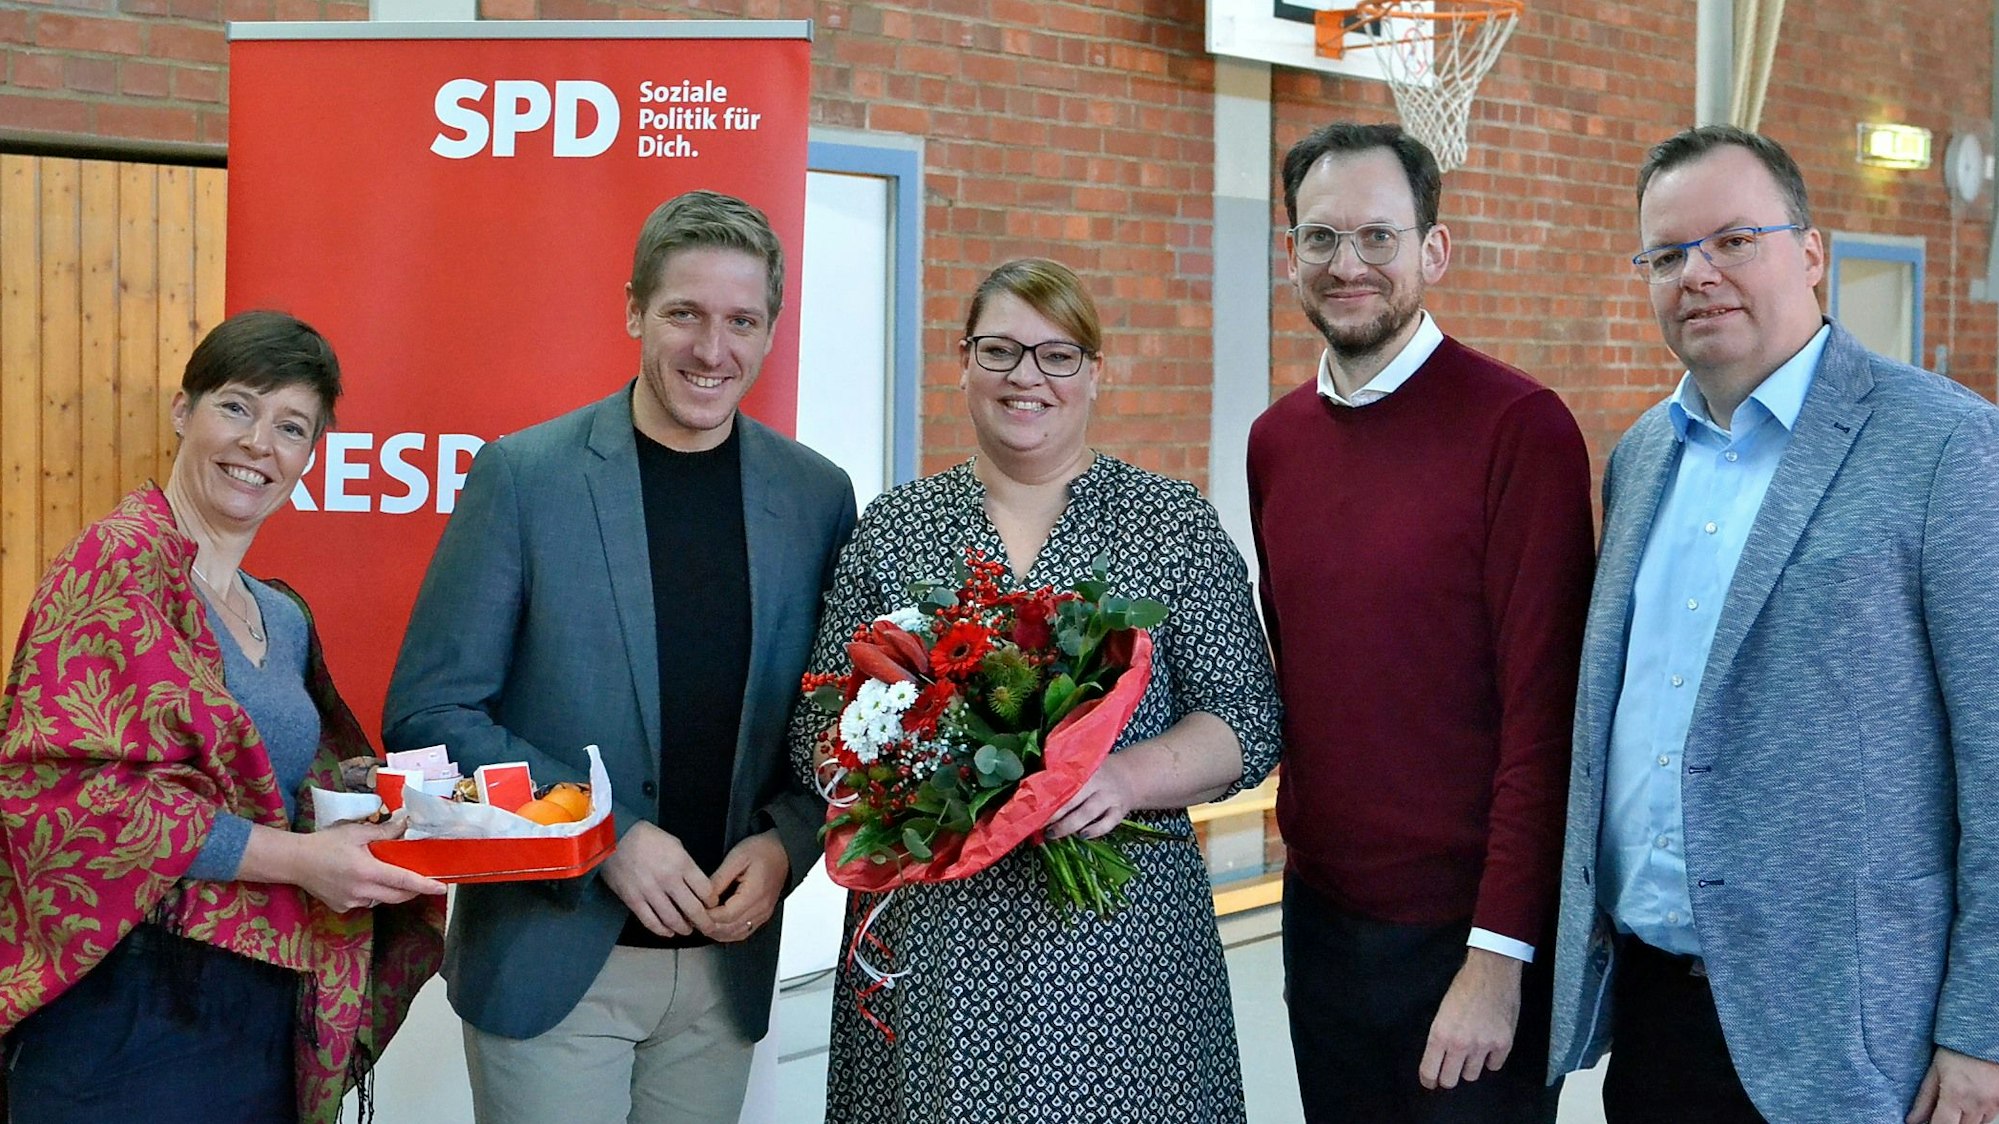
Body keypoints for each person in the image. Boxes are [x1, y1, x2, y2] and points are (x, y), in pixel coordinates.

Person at [1549, 125, 1999, 1124]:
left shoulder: (1944, 448)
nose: (1698, 273)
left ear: (1809, 251)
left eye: (1733, 240)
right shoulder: (1639, 457)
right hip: (1658, 1012)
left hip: (1856, 1034)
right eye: (1667, 254)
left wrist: (1983, 1031)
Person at [383, 189, 856, 1124]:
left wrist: (788, 842)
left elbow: (831, 725)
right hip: (552, 966)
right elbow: (431, 718)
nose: (711, 349)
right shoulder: (524, 477)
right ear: (634, 309)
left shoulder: (816, 497)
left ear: (769, 333)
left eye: (740, 321)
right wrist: (604, 837)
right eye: (683, 313)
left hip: (722, 976)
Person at [791, 257, 1282, 1123]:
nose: (1027, 377)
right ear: (962, 363)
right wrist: (911, 769)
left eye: (1057, 355)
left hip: (1118, 944)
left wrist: (1124, 778)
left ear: (1095, 372)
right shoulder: (898, 527)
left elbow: (1246, 720)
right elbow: (821, 720)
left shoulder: (1166, 523)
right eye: (1000, 351)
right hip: (936, 940)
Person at [0, 310, 446, 1124]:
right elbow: (71, 799)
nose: (257, 445)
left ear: (309, 458)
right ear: (183, 410)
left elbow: (274, 786)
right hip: (130, 1004)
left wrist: (404, 804)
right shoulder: (119, 565)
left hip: (259, 1004)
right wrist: (306, 863)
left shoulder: (281, 615)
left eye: (290, 428)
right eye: (236, 407)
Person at [1247, 121, 1595, 1123]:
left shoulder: (1518, 428)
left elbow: (1544, 717)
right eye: (1320, 238)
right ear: (1291, 256)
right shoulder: (1276, 441)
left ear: (1431, 250)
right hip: (1319, 922)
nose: (1347, 264)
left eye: (1377, 237)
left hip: (1467, 935)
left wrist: (1500, 952)